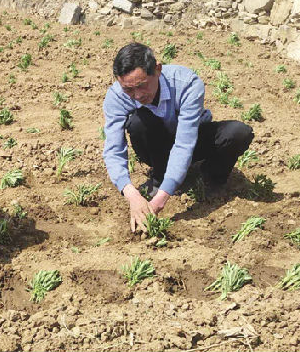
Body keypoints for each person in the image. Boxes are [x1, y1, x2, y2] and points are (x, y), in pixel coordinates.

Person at [102, 43, 254, 232]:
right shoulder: (116, 96)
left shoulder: (186, 83)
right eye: (129, 90)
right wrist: (131, 194)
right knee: (138, 122)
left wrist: (159, 201)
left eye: (142, 86)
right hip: (155, 145)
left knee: (237, 132)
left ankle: (210, 177)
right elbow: (114, 149)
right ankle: (159, 177)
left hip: (193, 138)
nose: (137, 95)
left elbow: (184, 143)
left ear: (157, 70)